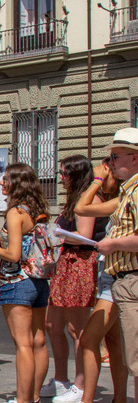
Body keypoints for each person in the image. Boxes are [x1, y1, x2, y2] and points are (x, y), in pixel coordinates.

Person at [0, 163, 51, 403]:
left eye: (5, 179)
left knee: (23, 345)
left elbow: (13, 255)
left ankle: (23, 400)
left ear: (17, 183)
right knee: (38, 341)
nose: (1, 183)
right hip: (39, 280)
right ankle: (33, 396)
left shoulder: (15, 213)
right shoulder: (36, 210)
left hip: (17, 280)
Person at [41, 155, 105, 402]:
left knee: (77, 329)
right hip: (66, 263)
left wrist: (59, 236)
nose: (60, 178)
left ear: (76, 175)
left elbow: (85, 234)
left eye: (64, 173)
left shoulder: (87, 199)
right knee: (52, 325)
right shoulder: (73, 200)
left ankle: (80, 384)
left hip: (80, 262)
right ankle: (60, 380)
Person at [74, 158, 130, 403]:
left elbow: (81, 208)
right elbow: (82, 207)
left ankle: (87, 400)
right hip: (108, 277)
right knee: (114, 343)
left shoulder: (125, 199)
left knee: (88, 340)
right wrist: (98, 180)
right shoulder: (118, 202)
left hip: (118, 278)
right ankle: (119, 398)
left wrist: (97, 180)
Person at [95, 128, 138, 401]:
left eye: (115, 156)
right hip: (126, 281)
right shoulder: (128, 190)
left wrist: (112, 245)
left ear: (134, 158)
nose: (111, 163)